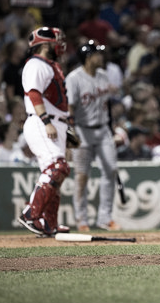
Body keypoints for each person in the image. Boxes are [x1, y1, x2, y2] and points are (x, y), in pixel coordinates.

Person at [17, 26, 72, 237]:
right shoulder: (36, 64)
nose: (59, 45)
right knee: (58, 168)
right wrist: (46, 121)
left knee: (54, 175)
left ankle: (49, 223)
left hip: (54, 123)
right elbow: (34, 94)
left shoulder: (51, 65)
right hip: (42, 122)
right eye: (56, 41)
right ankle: (30, 214)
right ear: (45, 44)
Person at [66, 40, 121, 232]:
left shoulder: (103, 75)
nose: (101, 56)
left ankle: (105, 218)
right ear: (88, 58)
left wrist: (112, 129)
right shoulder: (74, 78)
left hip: (103, 129)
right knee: (82, 176)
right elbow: (69, 108)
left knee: (111, 170)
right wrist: (70, 137)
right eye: (97, 54)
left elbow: (107, 106)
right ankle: (82, 219)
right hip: (81, 129)